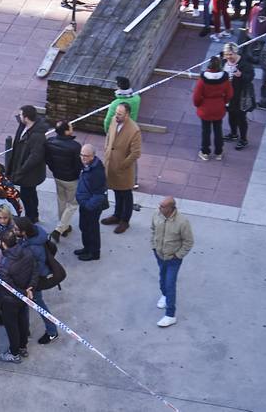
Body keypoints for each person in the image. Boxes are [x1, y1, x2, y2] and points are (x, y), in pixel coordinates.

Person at [0, 229, 37, 364]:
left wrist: (24, 293)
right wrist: (30, 289)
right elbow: (35, 270)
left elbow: (8, 287)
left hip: (9, 301)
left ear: (4, 244)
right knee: (23, 322)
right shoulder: (28, 252)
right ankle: (23, 346)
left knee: (12, 327)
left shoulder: (4, 265)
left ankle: (14, 353)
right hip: (25, 298)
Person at [150, 197, 193, 328]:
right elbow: (153, 229)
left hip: (173, 259)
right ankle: (164, 296)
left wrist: (178, 255)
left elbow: (188, 242)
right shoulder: (156, 214)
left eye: (162, 206)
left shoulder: (182, 222)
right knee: (162, 279)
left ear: (171, 208)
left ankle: (170, 315)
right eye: (160, 205)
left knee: (170, 284)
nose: (159, 208)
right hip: (159, 255)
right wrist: (153, 246)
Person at [103, 104, 141, 234]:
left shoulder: (134, 130)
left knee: (126, 194)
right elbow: (109, 135)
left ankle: (125, 220)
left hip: (123, 170)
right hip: (111, 165)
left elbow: (136, 153)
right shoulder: (114, 120)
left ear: (127, 114)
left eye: (119, 114)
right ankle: (117, 215)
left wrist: (123, 165)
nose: (116, 116)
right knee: (116, 191)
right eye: (116, 113)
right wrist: (107, 149)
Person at [7, 106, 48, 223]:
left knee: (27, 195)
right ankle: (33, 214)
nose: (19, 117)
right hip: (22, 167)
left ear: (26, 117)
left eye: (21, 115)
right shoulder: (23, 126)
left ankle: (31, 217)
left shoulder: (37, 135)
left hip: (29, 173)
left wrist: (21, 170)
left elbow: (35, 157)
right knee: (30, 193)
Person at [43, 120, 82, 239]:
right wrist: (76, 175)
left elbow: (48, 159)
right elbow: (78, 165)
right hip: (71, 179)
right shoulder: (75, 146)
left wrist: (54, 169)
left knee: (61, 201)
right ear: (66, 131)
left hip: (57, 176)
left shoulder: (50, 142)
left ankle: (64, 226)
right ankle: (59, 228)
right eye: (70, 127)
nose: (72, 128)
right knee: (73, 204)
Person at [193, 57, 233, 161]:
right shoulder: (224, 79)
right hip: (219, 106)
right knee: (218, 129)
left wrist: (198, 105)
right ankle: (219, 152)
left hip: (205, 108)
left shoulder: (203, 79)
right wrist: (223, 102)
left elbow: (196, 96)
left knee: (205, 131)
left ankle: (205, 152)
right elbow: (229, 94)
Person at [74, 143, 108, 261]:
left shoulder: (96, 172)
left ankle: (94, 253)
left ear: (93, 156)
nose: (83, 158)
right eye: (82, 155)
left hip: (91, 207)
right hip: (85, 204)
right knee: (84, 227)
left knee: (92, 229)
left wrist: (88, 205)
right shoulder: (87, 166)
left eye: (86, 156)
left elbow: (99, 194)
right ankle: (87, 248)